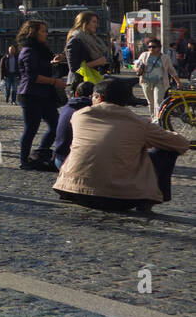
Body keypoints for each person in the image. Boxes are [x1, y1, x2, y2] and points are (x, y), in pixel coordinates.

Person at [53, 78, 188, 212]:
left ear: (98, 97)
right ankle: (149, 199)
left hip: (74, 191)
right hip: (120, 198)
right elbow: (181, 144)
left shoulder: (79, 116)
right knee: (167, 150)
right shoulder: (139, 123)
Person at [16, 19, 68, 170]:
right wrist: (54, 82)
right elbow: (33, 76)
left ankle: (40, 153)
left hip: (44, 94)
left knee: (56, 125)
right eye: (43, 31)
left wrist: (53, 62)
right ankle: (24, 160)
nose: (46, 34)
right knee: (31, 128)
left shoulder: (40, 49)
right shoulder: (29, 50)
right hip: (31, 94)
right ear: (34, 33)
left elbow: (41, 67)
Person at [136, 38, 180, 122]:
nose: (151, 49)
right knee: (150, 102)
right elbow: (136, 64)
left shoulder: (165, 57)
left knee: (158, 101)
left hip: (160, 82)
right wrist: (137, 69)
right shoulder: (144, 55)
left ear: (159, 47)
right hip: (146, 82)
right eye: (149, 47)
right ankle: (153, 118)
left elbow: (171, 70)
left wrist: (178, 81)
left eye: (153, 47)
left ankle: (158, 120)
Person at [53, 81, 94, 170]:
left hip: (59, 158)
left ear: (76, 93)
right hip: (74, 161)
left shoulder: (66, 108)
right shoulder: (91, 111)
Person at [64, 11, 111, 83]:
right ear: (84, 23)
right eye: (94, 22)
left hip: (90, 80)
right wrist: (97, 62)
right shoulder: (75, 40)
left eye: (97, 22)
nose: (96, 25)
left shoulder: (92, 39)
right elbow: (74, 68)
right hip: (79, 83)